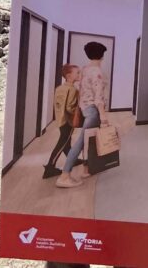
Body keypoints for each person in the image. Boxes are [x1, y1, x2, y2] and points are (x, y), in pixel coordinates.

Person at [58, 42, 108, 189]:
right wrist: (103, 116)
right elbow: (98, 97)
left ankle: (87, 169)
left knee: (89, 140)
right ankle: (65, 175)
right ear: (102, 55)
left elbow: (79, 88)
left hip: (85, 108)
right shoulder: (97, 72)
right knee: (81, 142)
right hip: (94, 110)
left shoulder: (84, 69)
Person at [42, 64, 80, 179]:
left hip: (60, 119)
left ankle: (72, 159)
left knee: (66, 142)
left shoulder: (59, 88)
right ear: (69, 76)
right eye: (77, 73)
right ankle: (50, 167)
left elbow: (58, 105)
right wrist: (78, 112)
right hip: (68, 121)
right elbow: (69, 108)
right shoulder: (73, 90)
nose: (79, 75)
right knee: (62, 143)